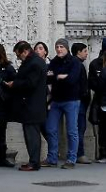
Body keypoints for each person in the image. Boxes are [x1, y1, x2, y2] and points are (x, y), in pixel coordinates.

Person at [5, 41, 48, 171]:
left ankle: (34, 162)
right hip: (31, 104)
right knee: (31, 133)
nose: (19, 58)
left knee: (32, 134)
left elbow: (30, 83)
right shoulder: (34, 61)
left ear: (25, 51)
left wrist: (14, 84)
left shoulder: (34, 63)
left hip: (31, 105)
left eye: (19, 55)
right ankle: (33, 161)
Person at [42, 38, 82, 169]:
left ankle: (71, 159)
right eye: (57, 47)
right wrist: (60, 76)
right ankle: (52, 157)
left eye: (61, 47)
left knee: (72, 131)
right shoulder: (54, 61)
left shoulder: (75, 61)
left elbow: (73, 79)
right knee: (50, 128)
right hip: (56, 100)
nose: (59, 49)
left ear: (66, 48)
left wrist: (59, 76)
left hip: (71, 100)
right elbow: (49, 77)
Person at [88, 38, 106, 160]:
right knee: (102, 128)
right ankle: (103, 151)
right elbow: (92, 82)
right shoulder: (95, 64)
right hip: (101, 99)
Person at [71, 43, 92, 164]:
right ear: (78, 52)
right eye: (84, 51)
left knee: (78, 128)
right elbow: (82, 85)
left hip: (79, 100)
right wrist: (84, 96)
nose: (86, 53)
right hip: (79, 101)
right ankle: (79, 153)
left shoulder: (77, 64)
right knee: (79, 128)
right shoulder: (78, 65)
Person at [34, 42, 51, 143]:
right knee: (41, 124)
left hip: (49, 99)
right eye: (36, 49)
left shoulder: (51, 65)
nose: (37, 51)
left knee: (48, 125)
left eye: (40, 48)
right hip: (38, 100)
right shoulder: (33, 65)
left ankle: (53, 151)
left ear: (45, 51)